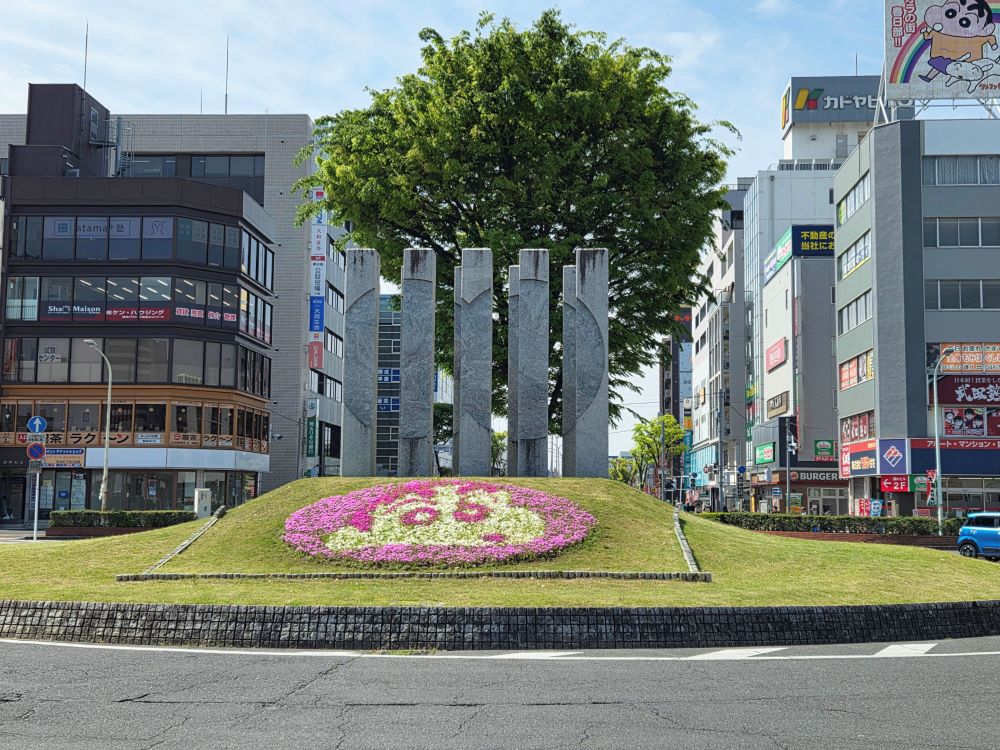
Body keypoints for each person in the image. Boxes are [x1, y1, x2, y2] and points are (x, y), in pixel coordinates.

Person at [920, 0, 998, 83]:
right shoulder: (937, 33)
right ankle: (929, 77)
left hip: (967, 63)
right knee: (938, 66)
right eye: (950, 13)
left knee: (944, 67)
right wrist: (925, 31)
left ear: (985, 29)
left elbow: (990, 38)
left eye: (965, 22)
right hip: (943, 58)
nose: (955, 22)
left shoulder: (976, 39)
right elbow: (928, 36)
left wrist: (993, 45)